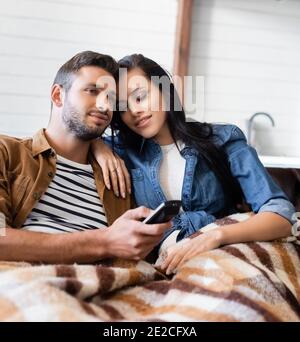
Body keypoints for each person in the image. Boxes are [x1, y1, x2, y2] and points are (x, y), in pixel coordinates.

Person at [93, 54, 296, 274]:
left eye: (140, 97)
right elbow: (77, 134)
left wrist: (216, 236)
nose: (134, 111)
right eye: (122, 108)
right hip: (166, 269)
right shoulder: (123, 152)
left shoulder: (223, 139)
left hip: (227, 254)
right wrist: (98, 146)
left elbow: (281, 215)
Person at [0, 51, 171, 264]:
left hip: (112, 287)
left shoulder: (119, 176)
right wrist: (105, 241)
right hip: (30, 283)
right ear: (57, 95)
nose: (104, 105)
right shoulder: (7, 153)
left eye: (111, 98)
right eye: (92, 91)